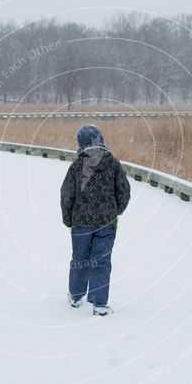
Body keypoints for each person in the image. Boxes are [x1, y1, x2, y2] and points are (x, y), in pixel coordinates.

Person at [60, 123, 131, 315]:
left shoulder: (76, 166)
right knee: (101, 261)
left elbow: (66, 196)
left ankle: (75, 296)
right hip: (107, 223)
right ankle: (100, 304)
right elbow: (124, 192)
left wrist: (68, 220)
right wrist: (116, 211)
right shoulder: (113, 164)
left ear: (80, 143)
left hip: (81, 223)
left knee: (80, 258)